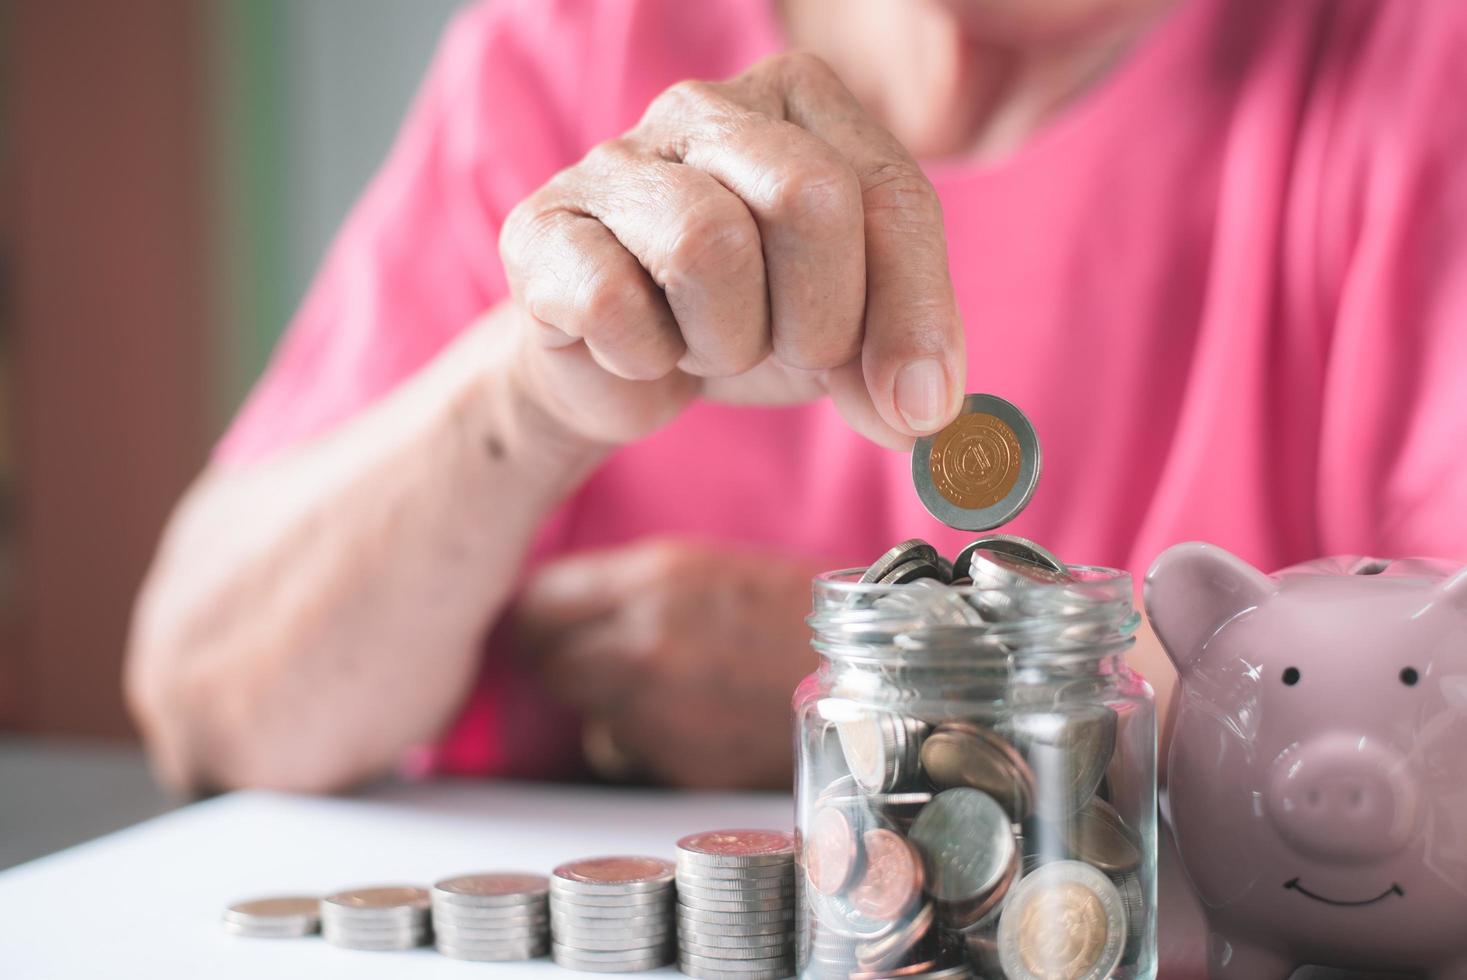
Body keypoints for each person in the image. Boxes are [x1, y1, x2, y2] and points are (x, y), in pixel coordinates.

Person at [125, 0, 1467, 795]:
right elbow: (208, 697)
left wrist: (912, 696)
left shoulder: (1417, 64)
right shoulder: (575, 46)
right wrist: (525, 397)